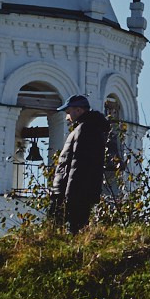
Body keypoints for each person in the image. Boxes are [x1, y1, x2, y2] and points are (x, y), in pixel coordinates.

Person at [50, 94, 112, 231]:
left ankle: (75, 251)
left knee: (71, 228)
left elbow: (79, 165)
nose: (67, 116)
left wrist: (69, 194)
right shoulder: (85, 129)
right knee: (69, 227)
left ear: (79, 110)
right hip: (74, 190)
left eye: (68, 112)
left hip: (74, 191)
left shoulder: (85, 130)